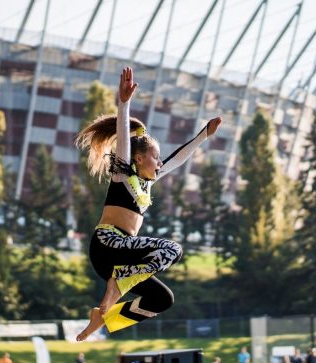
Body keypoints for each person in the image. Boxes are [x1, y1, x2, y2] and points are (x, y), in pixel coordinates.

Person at [74, 67, 222, 339]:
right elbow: (123, 140)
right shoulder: (122, 174)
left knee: (162, 299)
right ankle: (116, 289)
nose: (160, 163)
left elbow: (177, 159)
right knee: (172, 248)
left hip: (121, 260)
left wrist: (204, 136)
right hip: (108, 245)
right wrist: (124, 103)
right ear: (139, 159)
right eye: (156, 158)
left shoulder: (147, 182)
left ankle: (105, 317)